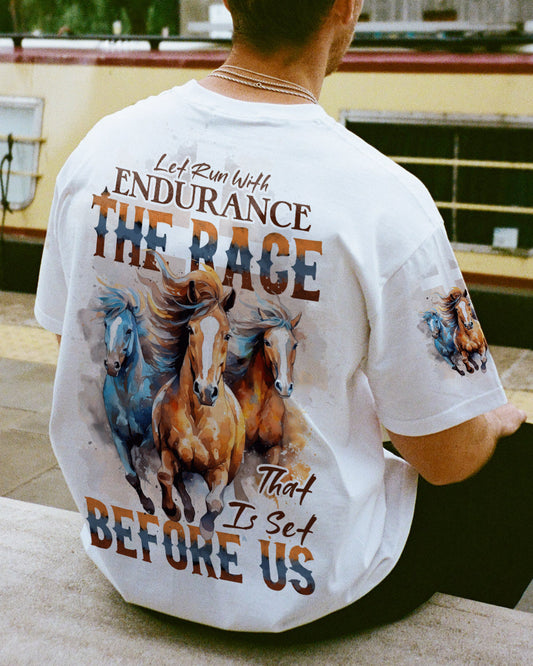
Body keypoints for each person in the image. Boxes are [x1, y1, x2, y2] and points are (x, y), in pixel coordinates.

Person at [35, 0, 531, 639]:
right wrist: (489, 421)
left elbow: (74, 347)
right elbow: (448, 459)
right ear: (346, 7)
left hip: (128, 563)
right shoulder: (387, 198)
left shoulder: (99, 149)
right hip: (311, 603)